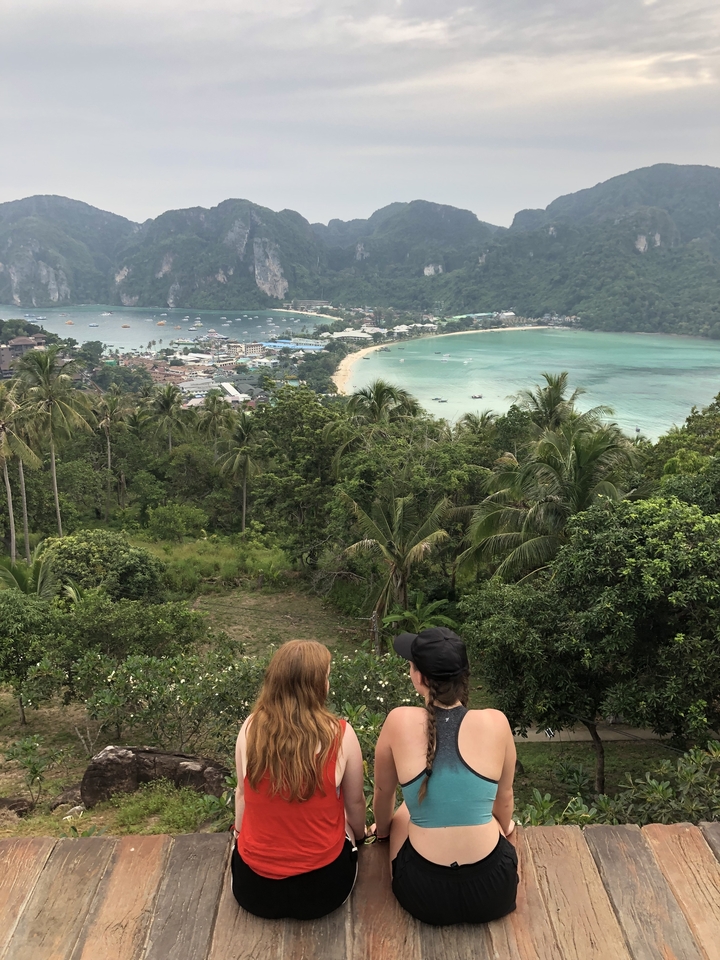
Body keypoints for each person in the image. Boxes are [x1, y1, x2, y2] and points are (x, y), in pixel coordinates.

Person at [371, 627, 518, 926]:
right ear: (464, 676)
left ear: (420, 678)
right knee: (487, 815)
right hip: (494, 889)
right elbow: (504, 800)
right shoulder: (496, 721)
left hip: (424, 893)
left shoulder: (399, 720)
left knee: (403, 812)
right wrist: (504, 827)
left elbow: (383, 795)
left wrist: (383, 832)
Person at [231, 640, 366, 920]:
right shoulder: (341, 735)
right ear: (315, 686)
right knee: (343, 819)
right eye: (326, 676)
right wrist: (360, 837)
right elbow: (355, 802)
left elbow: (242, 795)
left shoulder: (250, 728)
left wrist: (240, 836)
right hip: (324, 891)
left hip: (254, 891)